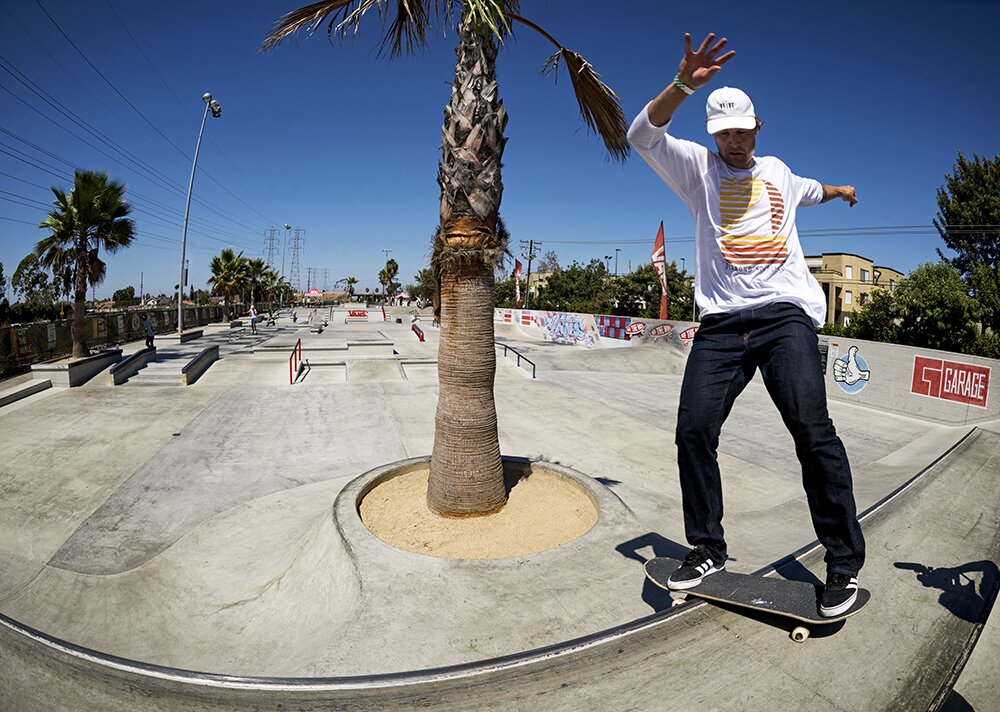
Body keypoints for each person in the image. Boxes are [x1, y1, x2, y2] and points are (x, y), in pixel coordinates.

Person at [627, 32, 865, 617]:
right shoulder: (696, 169)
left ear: (758, 127)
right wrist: (681, 85)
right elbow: (641, 135)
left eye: (741, 132)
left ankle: (842, 563)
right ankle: (707, 548)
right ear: (713, 134)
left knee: (812, 431)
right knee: (693, 430)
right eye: (724, 134)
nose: (733, 143)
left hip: (785, 318)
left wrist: (841, 190)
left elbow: (814, 191)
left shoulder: (779, 172)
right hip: (721, 326)